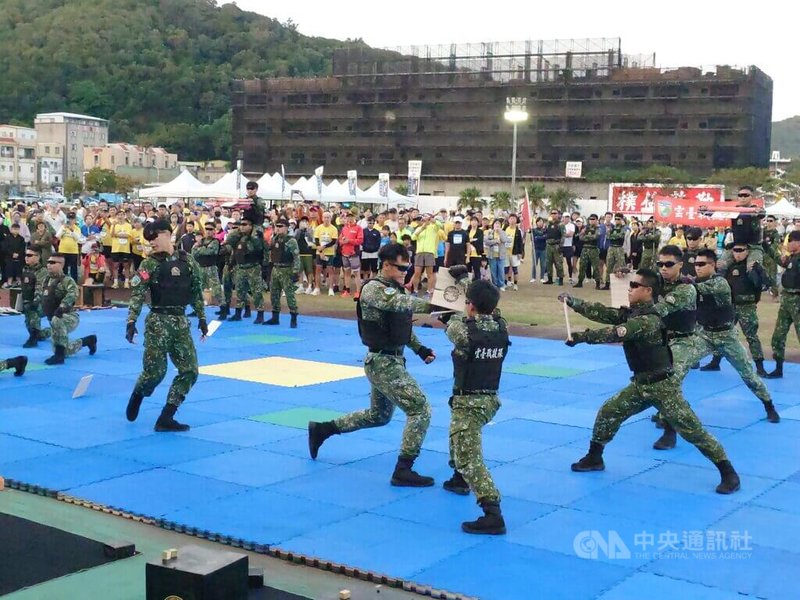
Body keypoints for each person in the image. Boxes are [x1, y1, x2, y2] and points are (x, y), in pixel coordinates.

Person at [561, 269, 741, 495]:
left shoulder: (648, 320)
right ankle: (595, 457)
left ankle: (729, 473)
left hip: (663, 388)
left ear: (648, 291)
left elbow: (616, 333)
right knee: (608, 412)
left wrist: (581, 338)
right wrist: (574, 302)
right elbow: (604, 313)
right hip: (641, 385)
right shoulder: (633, 313)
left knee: (694, 431)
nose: (630, 288)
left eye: (635, 285)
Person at [307, 243, 437, 487]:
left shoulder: (394, 289)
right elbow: (400, 304)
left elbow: (401, 326)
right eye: (400, 267)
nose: (404, 272)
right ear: (386, 265)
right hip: (382, 362)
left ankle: (322, 430)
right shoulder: (374, 290)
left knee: (379, 416)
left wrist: (420, 350)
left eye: (407, 267)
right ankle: (403, 469)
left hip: (391, 360)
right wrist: (439, 305)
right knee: (420, 409)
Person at [441, 276, 510, 535]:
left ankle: (492, 512)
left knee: (470, 457)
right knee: (457, 439)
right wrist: (468, 285)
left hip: (469, 401)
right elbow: (489, 308)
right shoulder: (502, 326)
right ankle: (458, 478)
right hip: (488, 398)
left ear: (470, 305)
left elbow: (453, 322)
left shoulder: (463, 329)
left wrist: (457, 293)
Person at [678, 250, 779, 424]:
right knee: (677, 368)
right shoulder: (694, 285)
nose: (698, 267)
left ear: (713, 265)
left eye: (702, 264)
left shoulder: (720, 283)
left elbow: (696, 288)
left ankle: (769, 405)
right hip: (705, 335)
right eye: (696, 264)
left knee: (748, 375)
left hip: (727, 336)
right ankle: (667, 412)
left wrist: (682, 280)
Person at [125, 219, 207, 432]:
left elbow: (197, 291)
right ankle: (139, 393)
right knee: (155, 372)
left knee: (190, 370)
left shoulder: (188, 261)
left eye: (155, 237)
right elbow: (138, 293)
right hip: (158, 322)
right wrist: (131, 321)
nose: (151, 242)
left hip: (180, 322)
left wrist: (202, 318)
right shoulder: (148, 264)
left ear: (168, 234)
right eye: (148, 239)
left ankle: (166, 416)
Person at [702, 244, 768, 376]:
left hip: (746, 306)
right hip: (730, 306)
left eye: (741, 250)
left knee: (751, 336)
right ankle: (715, 362)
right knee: (722, 333)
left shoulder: (752, 267)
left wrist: (757, 271)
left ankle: (760, 367)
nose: (737, 253)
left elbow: (763, 284)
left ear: (747, 251)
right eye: (735, 250)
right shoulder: (729, 267)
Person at [39, 253, 97, 365]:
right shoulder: (46, 280)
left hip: (69, 316)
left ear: (61, 265)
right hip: (53, 318)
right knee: (66, 350)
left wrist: (62, 307)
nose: (49, 265)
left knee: (57, 321)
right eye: (48, 262)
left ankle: (59, 357)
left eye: (53, 263)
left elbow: (73, 294)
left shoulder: (67, 280)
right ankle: (88, 341)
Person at [765, 230, 800, 378]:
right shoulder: (791, 258)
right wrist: (766, 246)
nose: (788, 244)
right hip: (786, 299)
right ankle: (778, 368)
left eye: (791, 241)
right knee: (778, 336)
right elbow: (779, 260)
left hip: (798, 299)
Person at [225, 210, 266, 323]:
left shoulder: (256, 237)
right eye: (241, 225)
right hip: (241, 267)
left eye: (245, 225)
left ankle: (260, 314)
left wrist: (254, 234)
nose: (242, 227)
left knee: (256, 292)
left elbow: (259, 248)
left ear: (251, 226)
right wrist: (231, 264)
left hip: (253, 267)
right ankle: (238, 313)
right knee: (240, 291)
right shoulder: (238, 237)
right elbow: (231, 247)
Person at [716, 186, 765, 274]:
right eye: (740, 195)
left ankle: (762, 287)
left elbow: (762, 214)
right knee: (720, 266)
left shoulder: (756, 209)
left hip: (753, 247)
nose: (742, 198)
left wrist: (757, 212)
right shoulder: (733, 210)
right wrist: (705, 211)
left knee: (753, 269)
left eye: (745, 195)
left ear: (751, 197)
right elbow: (716, 212)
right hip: (736, 246)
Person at [264, 218, 301, 327]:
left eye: (281, 227)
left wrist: (295, 272)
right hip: (275, 268)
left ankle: (293, 316)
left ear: (286, 228)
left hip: (286, 269)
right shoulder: (274, 238)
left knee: (289, 294)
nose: (278, 229)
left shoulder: (291, 240)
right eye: (277, 226)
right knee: (274, 294)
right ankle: (275, 317)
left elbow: (296, 257)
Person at [20, 246, 49, 348]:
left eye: (29, 255)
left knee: (33, 311)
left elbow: (39, 288)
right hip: (28, 300)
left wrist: (35, 302)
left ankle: (33, 339)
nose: (26, 258)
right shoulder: (25, 269)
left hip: (44, 302)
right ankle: (51, 331)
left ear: (38, 257)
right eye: (26, 255)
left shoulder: (43, 271)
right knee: (32, 327)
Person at [192, 222, 224, 308]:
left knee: (216, 289)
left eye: (210, 229)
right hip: (201, 267)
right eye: (206, 229)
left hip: (211, 268)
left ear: (214, 231)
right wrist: (203, 248)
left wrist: (200, 249)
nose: (208, 231)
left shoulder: (215, 242)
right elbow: (193, 252)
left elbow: (210, 252)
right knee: (199, 289)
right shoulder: (201, 241)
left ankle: (223, 308)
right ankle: (198, 308)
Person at [576, 214, 601, 289]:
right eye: (590, 219)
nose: (591, 221)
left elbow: (596, 236)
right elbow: (580, 237)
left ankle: (598, 283)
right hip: (585, 248)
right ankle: (580, 282)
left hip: (593, 249)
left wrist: (586, 237)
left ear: (596, 220)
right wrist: (587, 237)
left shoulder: (598, 228)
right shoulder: (585, 228)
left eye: (593, 219)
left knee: (595, 266)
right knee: (582, 265)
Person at [602, 213, 626, 290]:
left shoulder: (624, 228)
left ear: (622, 219)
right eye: (615, 219)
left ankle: (622, 284)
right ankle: (607, 284)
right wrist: (613, 236)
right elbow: (608, 236)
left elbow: (620, 235)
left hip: (619, 248)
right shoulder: (612, 227)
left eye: (618, 219)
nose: (616, 221)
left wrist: (613, 236)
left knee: (621, 266)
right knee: (609, 266)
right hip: (611, 248)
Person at [543, 210, 564, 285]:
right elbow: (545, 233)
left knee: (558, 263)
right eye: (552, 213)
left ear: (558, 215)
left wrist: (561, 246)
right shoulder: (549, 224)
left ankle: (560, 279)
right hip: (549, 246)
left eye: (555, 213)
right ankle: (550, 279)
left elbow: (563, 236)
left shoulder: (561, 224)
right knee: (548, 263)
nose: (553, 215)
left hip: (556, 246)